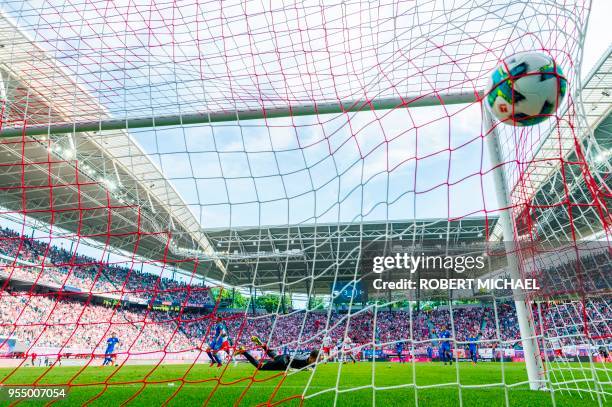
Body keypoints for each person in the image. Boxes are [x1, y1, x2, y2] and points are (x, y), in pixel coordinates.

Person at [237, 336, 320, 371]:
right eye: (316, 360)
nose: (316, 362)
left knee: (275, 355)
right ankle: (244, 352)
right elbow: (291, 360)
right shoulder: (303, 360)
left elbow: (311, 367)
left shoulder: (311, 361)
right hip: (283, 362)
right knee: (260, 367)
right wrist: (290, 368)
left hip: (285, 357)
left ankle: (262, 345)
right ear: (312, 357)